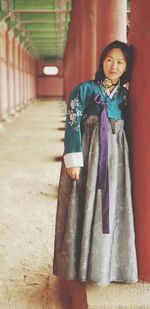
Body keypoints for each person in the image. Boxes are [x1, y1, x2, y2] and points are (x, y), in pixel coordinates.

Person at [53, 40, 138, 286]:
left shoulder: (125, 96)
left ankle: (106, 268)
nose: (113, 65)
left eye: (120, 62)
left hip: (115, 160)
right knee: (84, 205)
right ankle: (79, 268)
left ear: (126, 68)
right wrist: (73, 159)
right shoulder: (84, 90)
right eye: (109, 59)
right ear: (102, 61)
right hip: (87, 157)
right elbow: (72, 124)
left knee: (109, 208)